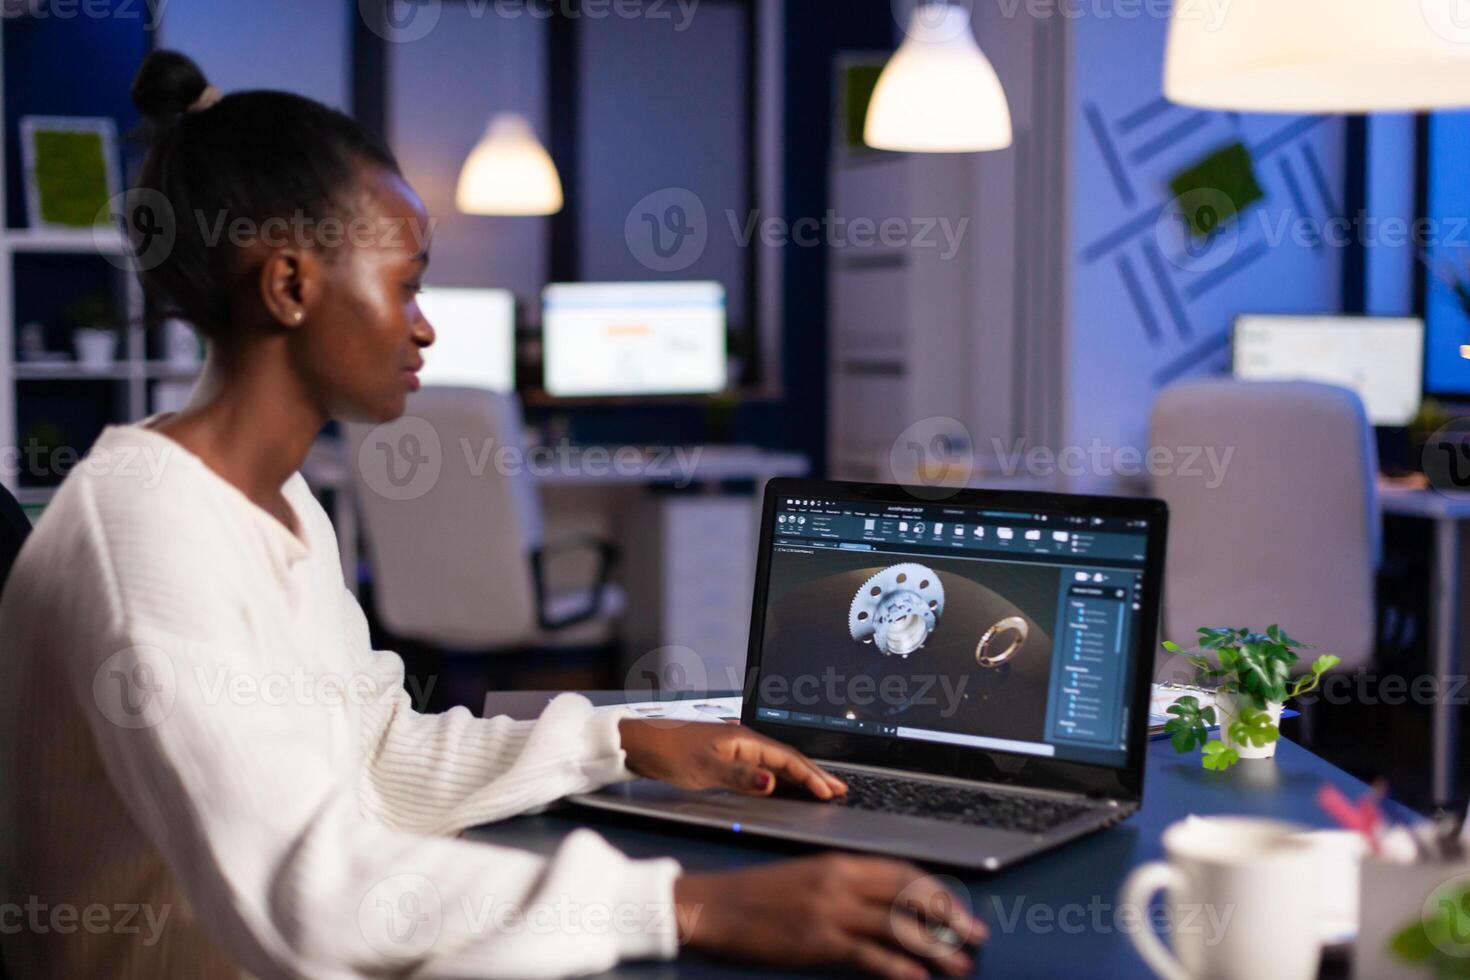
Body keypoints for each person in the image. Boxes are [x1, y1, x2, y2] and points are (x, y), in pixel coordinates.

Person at [0, 51, 985, 980]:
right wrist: (691, 904)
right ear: (292, 283)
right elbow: (313, 891)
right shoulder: (145, 531)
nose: (426, 323)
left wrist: (622, 740)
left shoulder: (284, 501)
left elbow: (374, 750)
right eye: (407, 284)